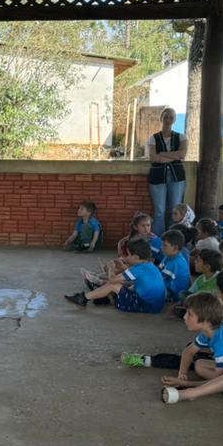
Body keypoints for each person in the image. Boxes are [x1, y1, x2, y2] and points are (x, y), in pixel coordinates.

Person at [65, 238, 165, 312]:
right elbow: (133, 280)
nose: (127, 257)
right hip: (156, 305)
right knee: (126, 284)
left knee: (113, 285)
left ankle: (84, 298)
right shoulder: (149, 265)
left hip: (147, 306)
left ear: (136, 257)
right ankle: (102, 295)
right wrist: (122, 267)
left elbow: (112, 281)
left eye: (128, 255)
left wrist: (110, 268)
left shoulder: (138, 269)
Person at [146, 107, 186, 236]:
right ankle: (158, 240)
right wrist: (173, 156)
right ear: (161, 118)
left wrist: (162, 154)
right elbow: (153, 158)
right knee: (159, 211)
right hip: (158, 177)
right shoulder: (153, 138)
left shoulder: (181, 137)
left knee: (174, 209)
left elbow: (182, 154)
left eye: (171, 117)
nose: (168, 119)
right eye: (166, 116)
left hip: (176, 177)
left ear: (174, 120)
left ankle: (173, 237)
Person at [158, 230, 190, 302]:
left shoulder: (176, 263)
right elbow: (158, 271)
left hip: (174, 294)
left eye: (164, 245)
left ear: (175, 248)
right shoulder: (168, 256)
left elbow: (160, 280)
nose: (161, 247)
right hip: (168, 286)